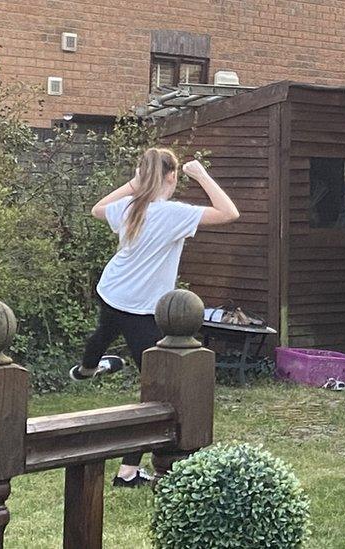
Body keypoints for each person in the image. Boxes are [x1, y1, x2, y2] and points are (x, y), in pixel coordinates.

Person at [69, 148, 239, 487]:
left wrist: (132, 186)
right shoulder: (173, 213)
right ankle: (128, 471)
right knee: (156, 389)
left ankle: (87, 370)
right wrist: (202, 175)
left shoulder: (131, 207)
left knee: (103, 332)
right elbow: (229, 212)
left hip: (112, 291)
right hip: (140, 309)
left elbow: (96, 209)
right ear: (173, 177)